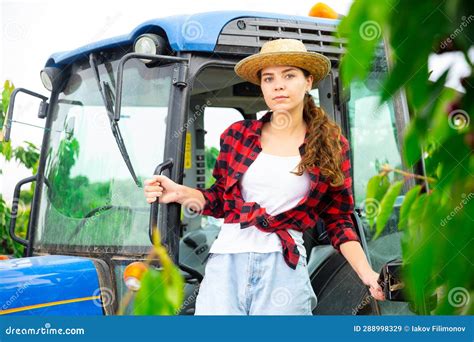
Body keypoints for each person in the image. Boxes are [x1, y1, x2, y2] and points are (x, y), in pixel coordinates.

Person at [144, 38, 385, 315]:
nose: (278, 85)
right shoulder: (238, 135)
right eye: (268, 78)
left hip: (284, 266)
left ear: (308, 82)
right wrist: (180, 193)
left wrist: (367, 274)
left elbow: (338, 219)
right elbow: (221, 200)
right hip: (226, 264)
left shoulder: (331, 145)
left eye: (289, 75)